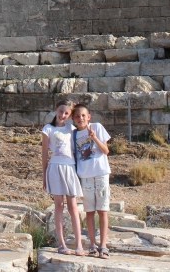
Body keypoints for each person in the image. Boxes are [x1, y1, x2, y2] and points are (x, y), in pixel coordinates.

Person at [41, 100, 85, 256]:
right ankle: (61, 243)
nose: (63, 115)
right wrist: (44, 175)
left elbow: (84, 127)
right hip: (55, 167)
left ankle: (79, 244)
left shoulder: (71, 128)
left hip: (70, 167)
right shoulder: (48, 129)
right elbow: (45, 153)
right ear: (56, 110)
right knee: (59, 206)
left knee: (73, 206)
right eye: (61, 112)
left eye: (66, 113)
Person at [71, 103, 112, 259]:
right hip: (85, 175)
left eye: (83, 115)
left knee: (102, 209)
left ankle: (103, 245)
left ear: (88, 117)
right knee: (89, 211)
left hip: (101, 172)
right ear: (73, 119)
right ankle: (92, 245)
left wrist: (94, 137)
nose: (80, 118)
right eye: (77, 116)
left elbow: (106, 150)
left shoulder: (97, 127)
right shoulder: (74, 134)